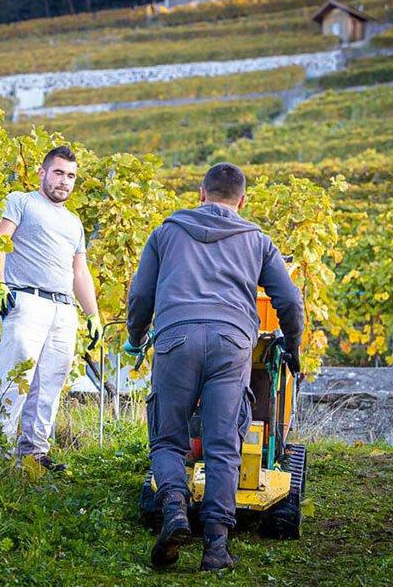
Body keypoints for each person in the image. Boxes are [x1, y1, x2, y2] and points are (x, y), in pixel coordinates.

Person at [125, 163, 303, 571]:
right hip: (232, 342)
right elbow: (290, 302)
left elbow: (140, 295)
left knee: (169, 440)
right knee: (224, 444)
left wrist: (136, 339)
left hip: (176, 337)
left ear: (200, 194)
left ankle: (173, 511)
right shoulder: (258, 240)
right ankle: (217, 547)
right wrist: (291, 347)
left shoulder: (166, 232)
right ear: (242, 201)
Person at [0, 146, 102, 472]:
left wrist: (92, 314)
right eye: (58, 173)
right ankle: (2, 457)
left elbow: (79, 271)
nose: (64, 181)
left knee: (50, 383)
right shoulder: (21, 201)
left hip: (63, 309)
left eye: (70, 176)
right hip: (27, 301)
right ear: (42, 173)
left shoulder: (74, 222)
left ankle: (35, 454)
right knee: (15, 378)